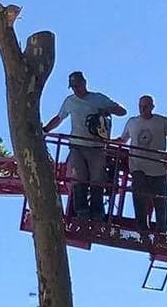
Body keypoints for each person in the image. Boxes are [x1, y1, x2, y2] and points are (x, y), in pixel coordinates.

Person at [44, 71, 126, 219]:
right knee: (78, 178)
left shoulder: (98, 99)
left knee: (97, 179)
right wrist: (45, 130)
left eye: (77, 85)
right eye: (73, 87)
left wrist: (107, 109)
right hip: (77, 146)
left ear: (84, 83)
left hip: (97, 147)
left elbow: (122, 111)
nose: (76, 89)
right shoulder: (70, 101)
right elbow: (59, 118)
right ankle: (81, 211)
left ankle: (97, 213)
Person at [118, 96, 167, 236]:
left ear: (152, 107)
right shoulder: (132, 122)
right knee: (139, 196)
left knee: (160, 202)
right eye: (140, 106)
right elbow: (123, 139)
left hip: (157, 169)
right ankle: (142, 229)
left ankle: (161, 232)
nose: (142, 109)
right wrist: (107, 142)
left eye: (145, 106)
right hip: (138, 166)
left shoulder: (161, 121)